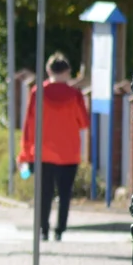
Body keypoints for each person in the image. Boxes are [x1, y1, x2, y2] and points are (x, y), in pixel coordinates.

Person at [18, 52, 90, 242]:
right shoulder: (75, 95)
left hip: (44, 152)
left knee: (44, 193)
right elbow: (84, 122)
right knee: (65, 194)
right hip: (69, 152)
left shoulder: (37, 93)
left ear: (48, 70)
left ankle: (43, 229)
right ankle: (60, 230)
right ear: (67, 72)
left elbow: (29, 124)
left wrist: (25, 151)